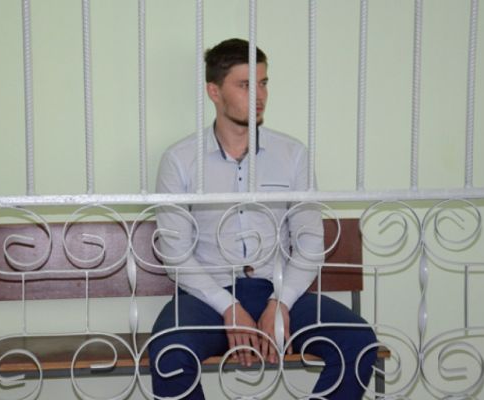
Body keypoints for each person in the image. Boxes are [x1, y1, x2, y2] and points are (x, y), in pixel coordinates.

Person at [149, 38, 377, 399]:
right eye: (244, 85)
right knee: (169, 351)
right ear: (214, 91)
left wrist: (281, 302)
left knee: (359, 342)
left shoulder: (292, 154)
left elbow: (309, 240)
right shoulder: (180, 160)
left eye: (263, 83)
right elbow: (175, 252)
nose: (259, 96)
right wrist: (228, 307)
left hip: (280, 290)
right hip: (208, 297)